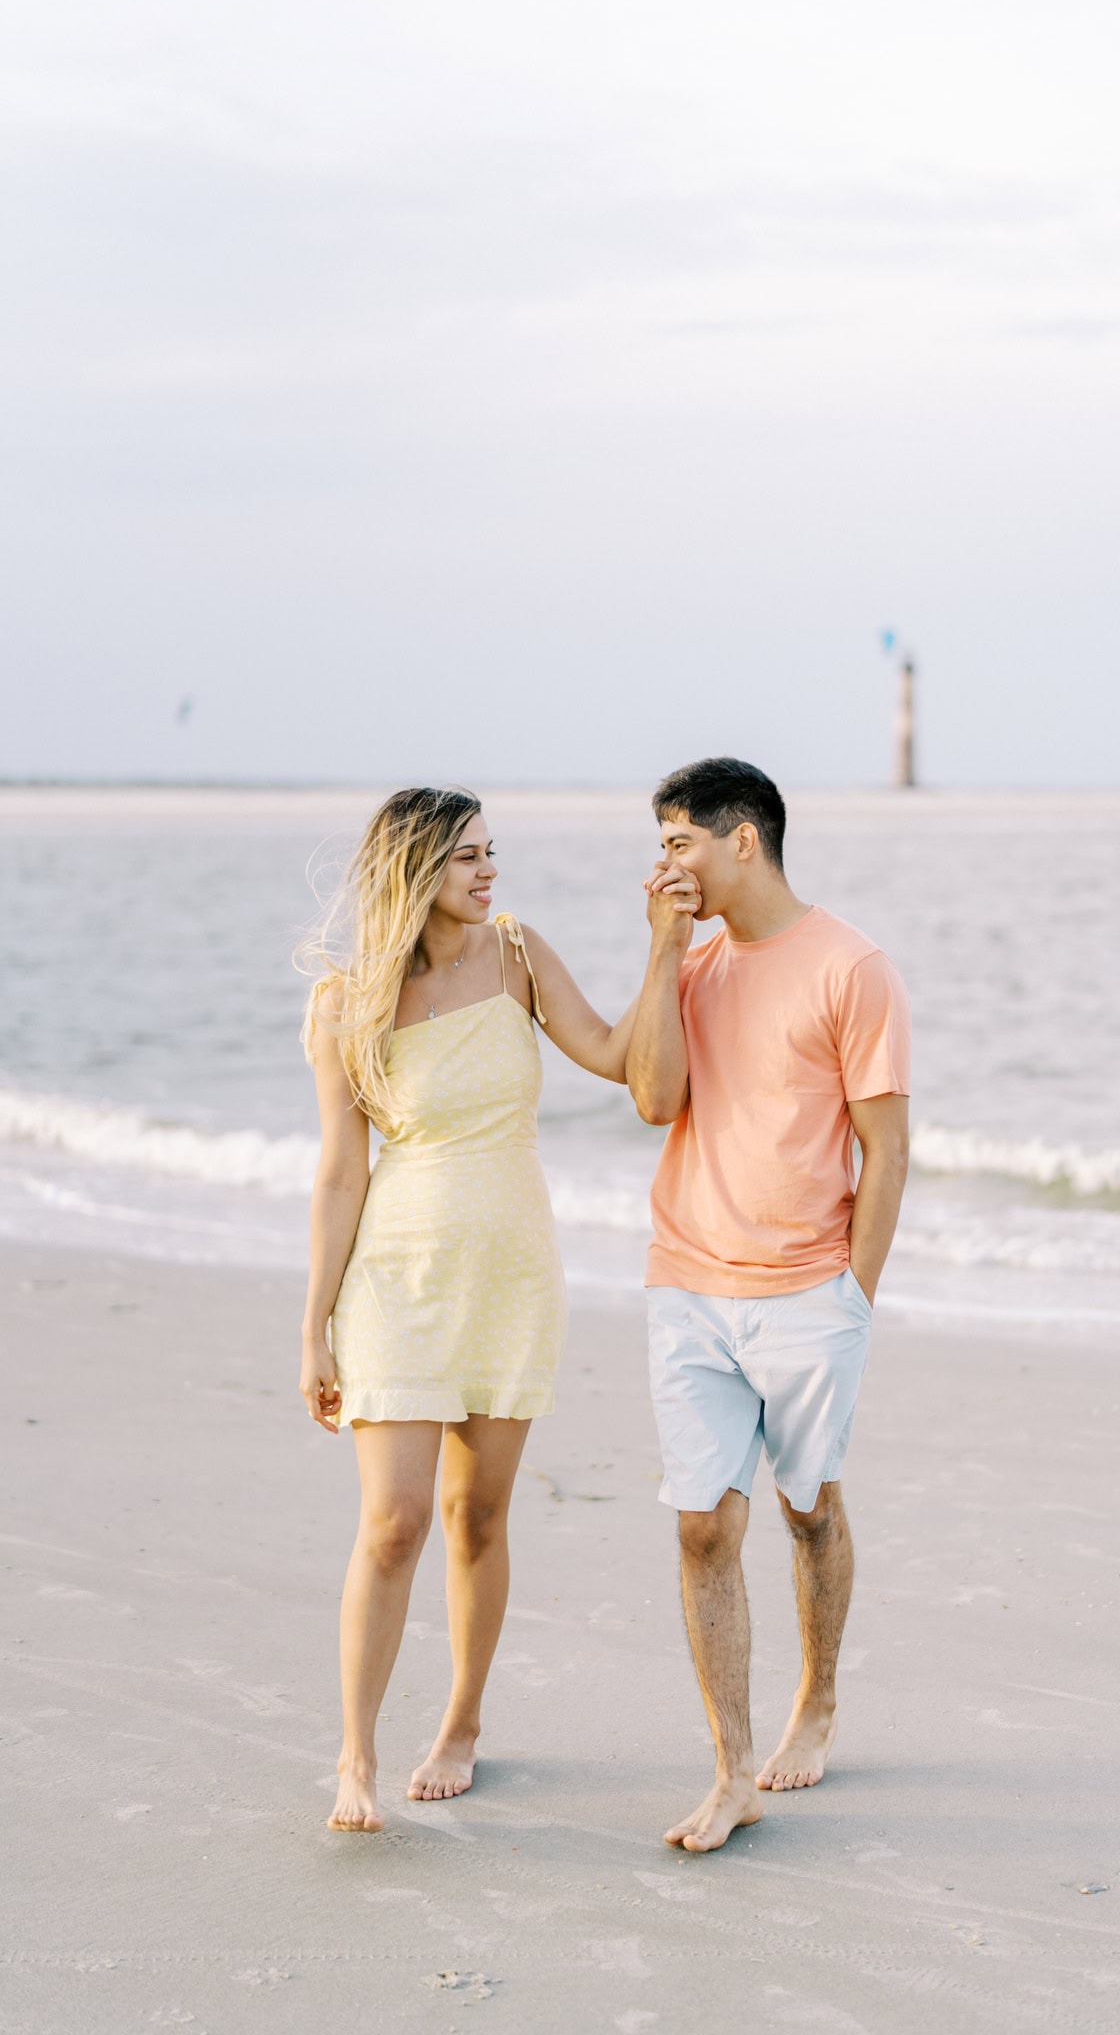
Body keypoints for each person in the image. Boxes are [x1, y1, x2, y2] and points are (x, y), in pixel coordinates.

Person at [298, 785, 636, 1834]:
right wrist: (313, 1323)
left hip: (510, 1273)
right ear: (411, 870)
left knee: (474, 1515)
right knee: (392, 1521)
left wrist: (670, 945)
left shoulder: (520, 954)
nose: (488, 872)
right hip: (396, 1278)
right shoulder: (345, 1003)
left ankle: (461, 1722)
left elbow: (618, 1056)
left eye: (493, 851)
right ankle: (354, 1751)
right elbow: (340, 1174)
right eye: (464, 858)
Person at [626, 757, 911, 1853]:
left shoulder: (851, 966)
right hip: (687, 1281)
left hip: (808, 1293)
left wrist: (854, 1295)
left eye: (678, 840)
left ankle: (820, 1698)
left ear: (741, 839)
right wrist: (659, 950)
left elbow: (886, 1148)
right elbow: (654, 1098)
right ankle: (730, 1765)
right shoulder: (691, 966)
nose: (664, 863)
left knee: (806, 1509)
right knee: (704, 1525)